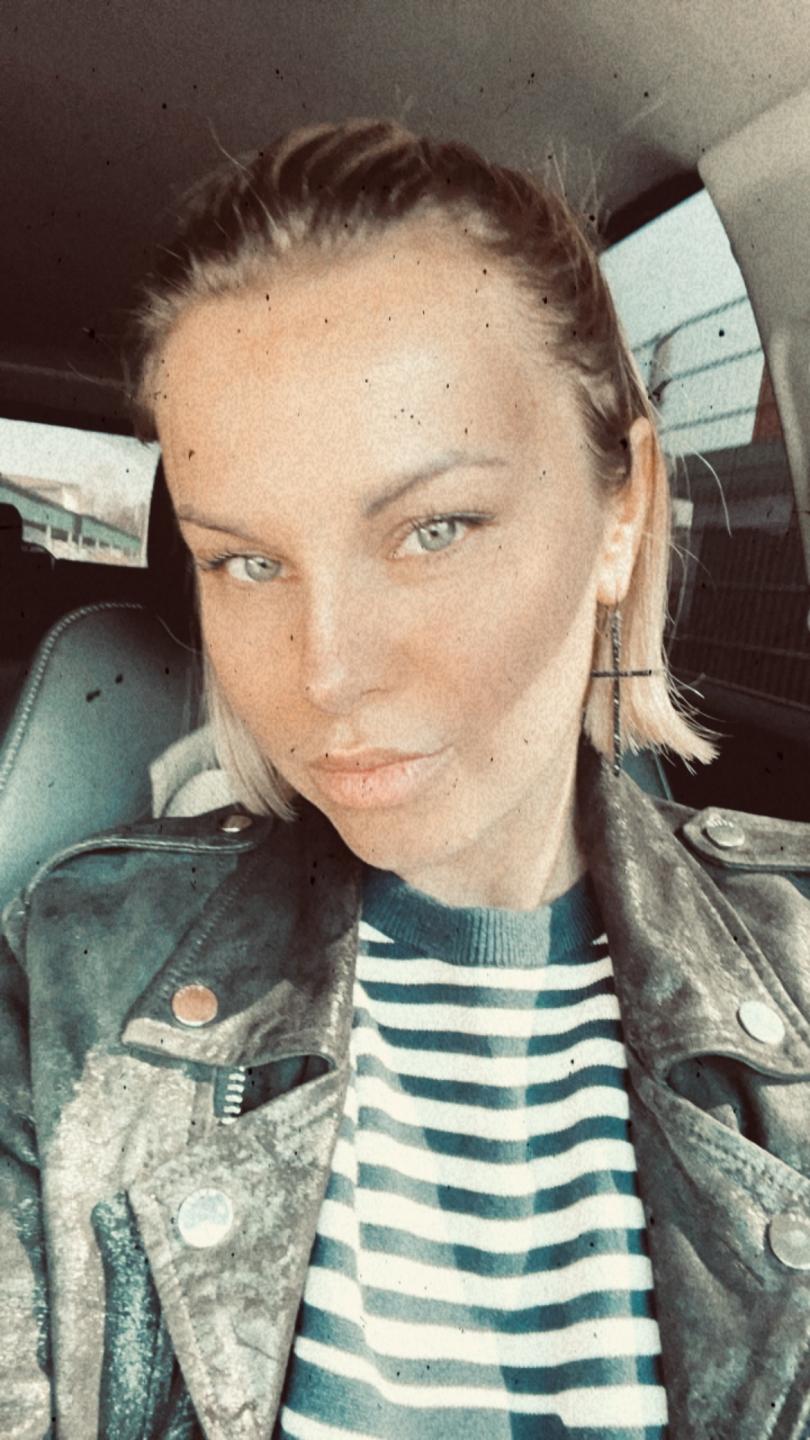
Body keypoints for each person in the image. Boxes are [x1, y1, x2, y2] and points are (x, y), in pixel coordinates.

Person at [1, 118, 809, 1440]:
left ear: (620, 511)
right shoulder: (72, 973)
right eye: (247, 561)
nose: (327, 673)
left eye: (433, 529)